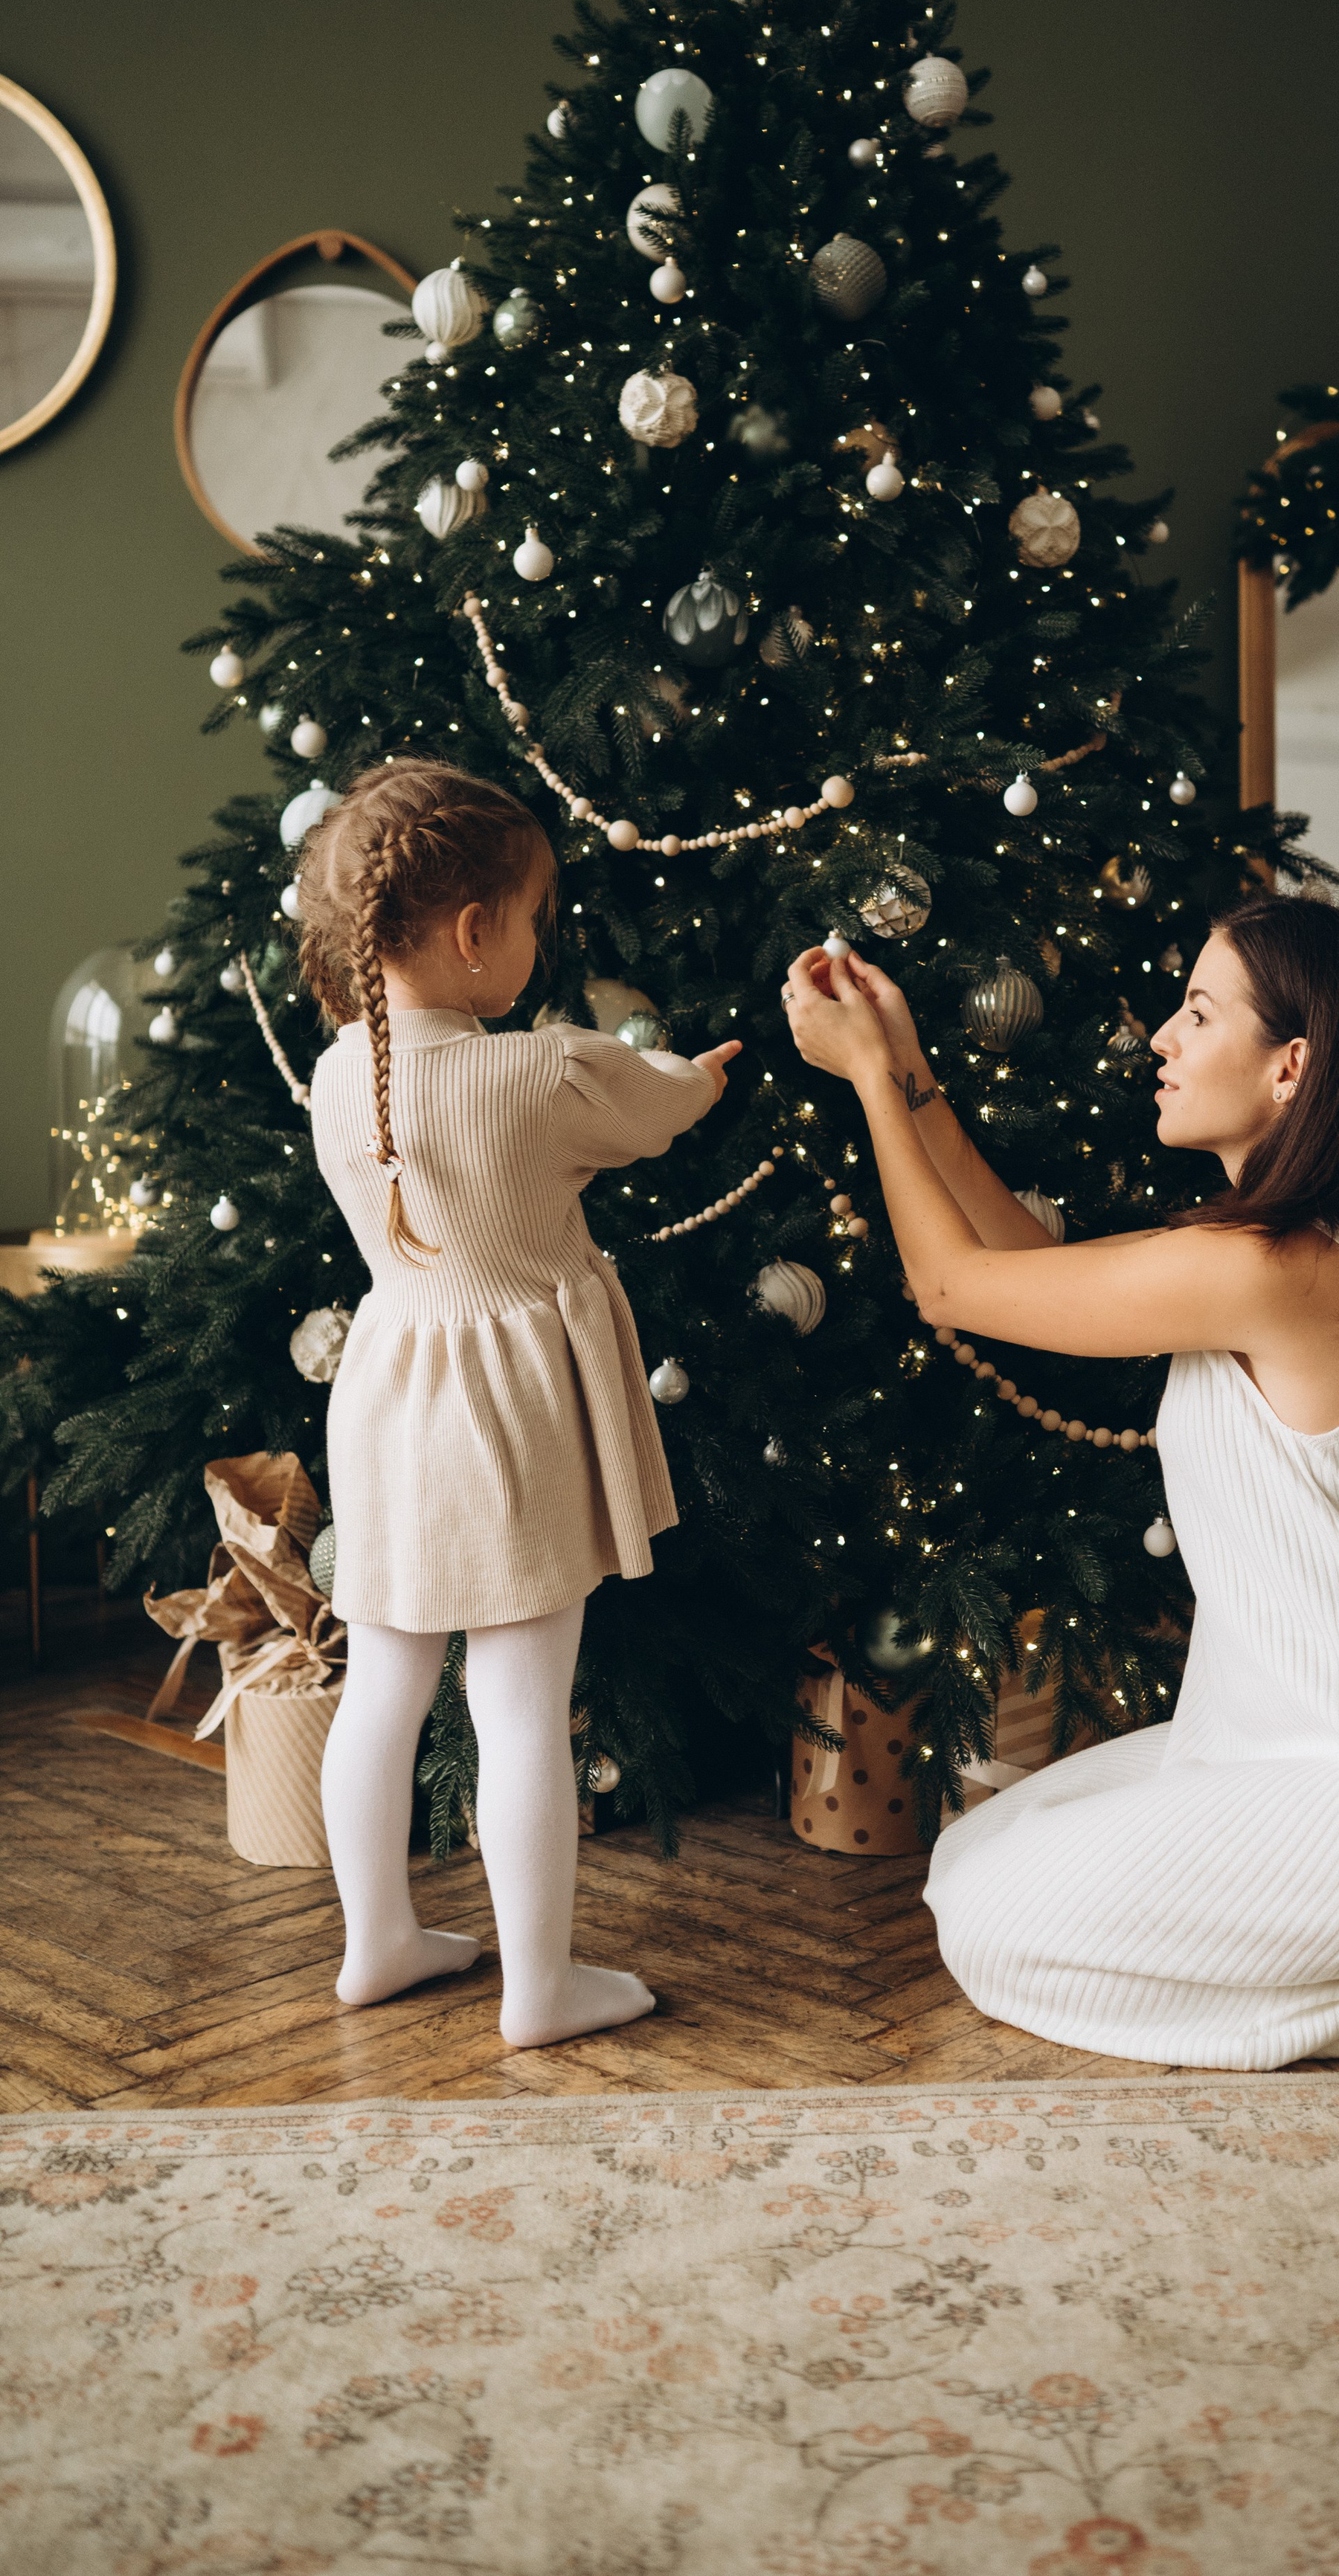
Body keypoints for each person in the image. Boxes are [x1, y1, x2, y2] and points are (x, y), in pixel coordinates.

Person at [781, 896, 1339, 2070]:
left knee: (984, 1930)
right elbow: (1026, 1266)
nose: (1161, 1043)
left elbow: (951, 1289)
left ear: (1291, 1067)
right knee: (980, 1852)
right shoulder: (1290, 1253)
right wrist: (915, 1069)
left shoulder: (1268, 1270)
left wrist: (870, 1084)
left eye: (1198, 1012)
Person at [299, 759, 738, 2048]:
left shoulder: (338, 1076)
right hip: (503, 1414)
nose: (539, 948)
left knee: (381, 1681)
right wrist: (703, 1077)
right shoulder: (536, 1075)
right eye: (535, 921)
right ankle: (540, 1987)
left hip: (387, 1393)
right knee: (519, 1706)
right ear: (474, 930)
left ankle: (375, 1939)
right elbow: (654, 1102)